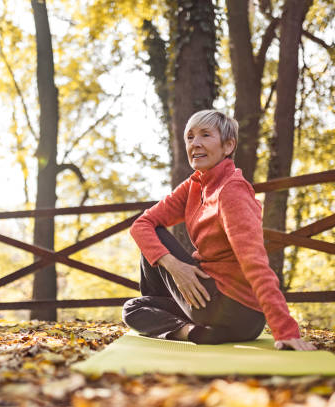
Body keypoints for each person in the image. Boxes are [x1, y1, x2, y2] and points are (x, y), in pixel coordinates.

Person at [123, 109, 316, 351]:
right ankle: (193, 331)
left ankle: (177, 328)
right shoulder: (196, 185)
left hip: (227, 306)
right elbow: (141, 225)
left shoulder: (232, 191)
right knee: (137, 299)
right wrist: (176, 267)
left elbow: (255, 261)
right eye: (190, 137)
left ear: (228, 146)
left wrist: (285, 330)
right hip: (236, 321)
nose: (196, 143)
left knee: (136, 305)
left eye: (205, 135)